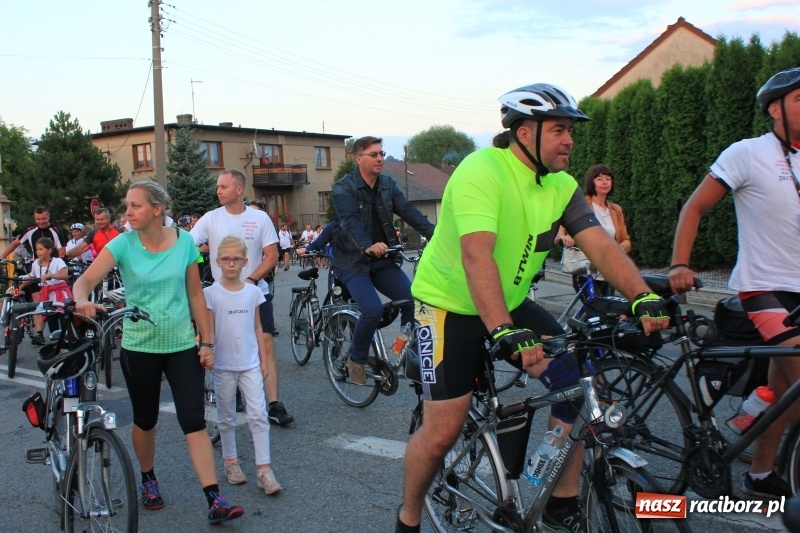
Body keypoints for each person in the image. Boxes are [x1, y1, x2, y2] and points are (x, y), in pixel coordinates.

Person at [397, 83, 669, 533]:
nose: (570, 140)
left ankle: (560, 499)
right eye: (560, 130)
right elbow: (477, 255)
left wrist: (642, 294)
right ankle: (408, 517)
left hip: (510, 302)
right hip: (448, 305)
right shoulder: (482, 170)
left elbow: (600, 245)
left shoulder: (561, 186)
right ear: (525, 132)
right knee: (444, 428)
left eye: (571, 131)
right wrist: (502, 329)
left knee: (580, 386)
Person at [73, 180, 245, 524]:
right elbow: (85, 281)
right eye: (127, 205)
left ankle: (214, 499)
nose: (127, 212)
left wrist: (206, 341)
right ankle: (148, 478)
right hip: (139, 347)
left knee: (194, 421)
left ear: (156, 209)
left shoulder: (183, 243)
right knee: (145, 419)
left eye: (135, 205)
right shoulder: (123, 244)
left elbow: (196, 294)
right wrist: (81, 300)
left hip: (182, 344)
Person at [669, 67, 800, 499]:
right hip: (764, 286)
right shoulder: (748, 153)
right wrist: (679, 265)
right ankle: (754, 404)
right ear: (774, 109)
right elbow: (694, 207)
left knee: (787, 389)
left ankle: (760, 474)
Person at [191, 170, 293, 426]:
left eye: (223, 186)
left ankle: (274, 404)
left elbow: (271, 256)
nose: (218, 190)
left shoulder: (259, 218)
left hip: (255, 294)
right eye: (218, 186)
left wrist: (251, 281)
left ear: (239, 190)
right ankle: (232, 391)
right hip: (221, 296)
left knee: (265, 343)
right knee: (223, 344)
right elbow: (187, 245)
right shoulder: (210, 218)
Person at [331, 136, 435, 385]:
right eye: (373, 154)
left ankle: (400, 347)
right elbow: (349, 221)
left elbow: (408, 211)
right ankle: (355, 359)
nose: (380, 158)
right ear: (358, 159)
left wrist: (436, 234)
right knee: (373, 309)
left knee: (412, 301)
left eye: (381, 153)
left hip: (383, 260)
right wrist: (367, 245)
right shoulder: (343, 188)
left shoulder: (388, 184)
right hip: (353, 262)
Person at [204, 235, 281, 495]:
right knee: (226, 417)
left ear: (246, 262)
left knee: (258, 414)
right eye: (226, 259)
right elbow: (209, 330)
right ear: (217, 262)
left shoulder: (253, 292)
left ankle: (264, 469)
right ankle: (231, 462)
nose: (232, 264)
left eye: (237, 259)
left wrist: (262, 359)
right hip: (224, 365)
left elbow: (258, 327)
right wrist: (208, 351)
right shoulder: (211, 294)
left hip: (249, 363)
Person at [556, 164, 631, 296]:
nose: (605, 182)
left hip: (609, 269)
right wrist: (563, 237)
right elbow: (560, 232)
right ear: (591, 182)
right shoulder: (581, 205)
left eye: (608, 179)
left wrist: (617, 249)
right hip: (586, 269)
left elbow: (626, 240)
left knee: (608, 309)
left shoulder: (616, 210)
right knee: (595, 308)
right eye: (599, 179)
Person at [0, 206, 67, 305]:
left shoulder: (55, 230)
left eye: (43, 218)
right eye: (38, 219)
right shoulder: (30, 230)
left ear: (49, 217)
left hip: (52, 267)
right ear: (34, 218)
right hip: (36, 267)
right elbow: (15, 243)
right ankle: (38, 318)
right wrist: (2, 256)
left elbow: (62, 252)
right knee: (36, 298)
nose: (41, 222)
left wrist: (54, 264)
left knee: (51, 299)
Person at [21, 238, 70, 344]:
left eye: (41, 249)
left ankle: (66, 340)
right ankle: (56, 342)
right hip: (46, 294)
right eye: (37, 249)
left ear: (49, 250)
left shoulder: (57, 261)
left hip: (60, 293)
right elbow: (31, 276)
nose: (38, 252)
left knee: (63, 318)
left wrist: (50, 275)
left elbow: (65, 275)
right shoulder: (35, 264)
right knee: (51, 318)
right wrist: (21, 284)